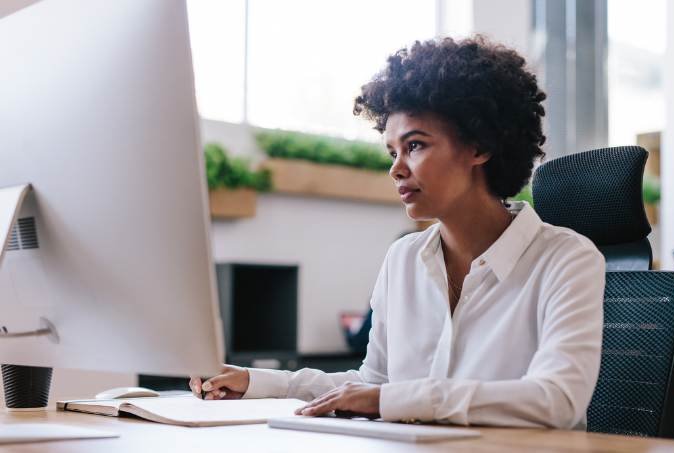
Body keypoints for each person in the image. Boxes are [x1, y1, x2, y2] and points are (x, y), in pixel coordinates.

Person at [191, 36, 605, 429]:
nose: (396, 169)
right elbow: (373, 384)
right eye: (393, 152)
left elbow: (556, 401)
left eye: (416, 146)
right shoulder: (403, 258)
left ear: (480, 147)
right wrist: (259, 383)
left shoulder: (566, 259)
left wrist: (395, 399)